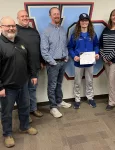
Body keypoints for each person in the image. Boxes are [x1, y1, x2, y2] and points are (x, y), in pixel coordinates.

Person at [0, 17, 38, 148]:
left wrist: (33, 75)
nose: (11, 28)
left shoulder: (20, 41)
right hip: (7, 87)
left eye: (12, 26)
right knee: (6, 112)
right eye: (7, 26)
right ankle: (7, 134)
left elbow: (29, 60)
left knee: (24, 107)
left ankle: (25, 126)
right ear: (1, 27)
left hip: (23, 83)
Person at [40, 7, 71, 118]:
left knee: (59, 84)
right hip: (52, 64)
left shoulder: (62, 29)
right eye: (54, 14)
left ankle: (59, 101)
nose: (57, 15)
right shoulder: (46, 31)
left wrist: (66, 56)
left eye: (58, 14)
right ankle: (53, 107)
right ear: (50, 16)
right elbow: (44, 50)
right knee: (52, 86)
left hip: (63, 62)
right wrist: (52, 62)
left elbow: (65, 45)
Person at [16, 10, 44, 120]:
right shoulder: (15, 31)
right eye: (22, 16)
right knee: (23, 93)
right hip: (21, 68)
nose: (25, 18)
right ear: (18, 18)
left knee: (32, 90)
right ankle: (25, 114)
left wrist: (41, 61)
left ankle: (33, 108)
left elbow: (38, 48)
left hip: (35, 67)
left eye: (26, 16)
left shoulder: (34, 31)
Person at [68, 13, 99, 109]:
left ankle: (90, 98)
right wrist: (74, 57)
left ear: (88, 22)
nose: (84, 22)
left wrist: (97, 53)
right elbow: (70, 48)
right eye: (82, 20)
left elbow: (96, 45)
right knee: (77, 81)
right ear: (79, 22)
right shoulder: (75, 35)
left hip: (90, 62)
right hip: (78, 62)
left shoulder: (93, 34)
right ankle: (77, 99)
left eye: (86, 20)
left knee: (89, 81)